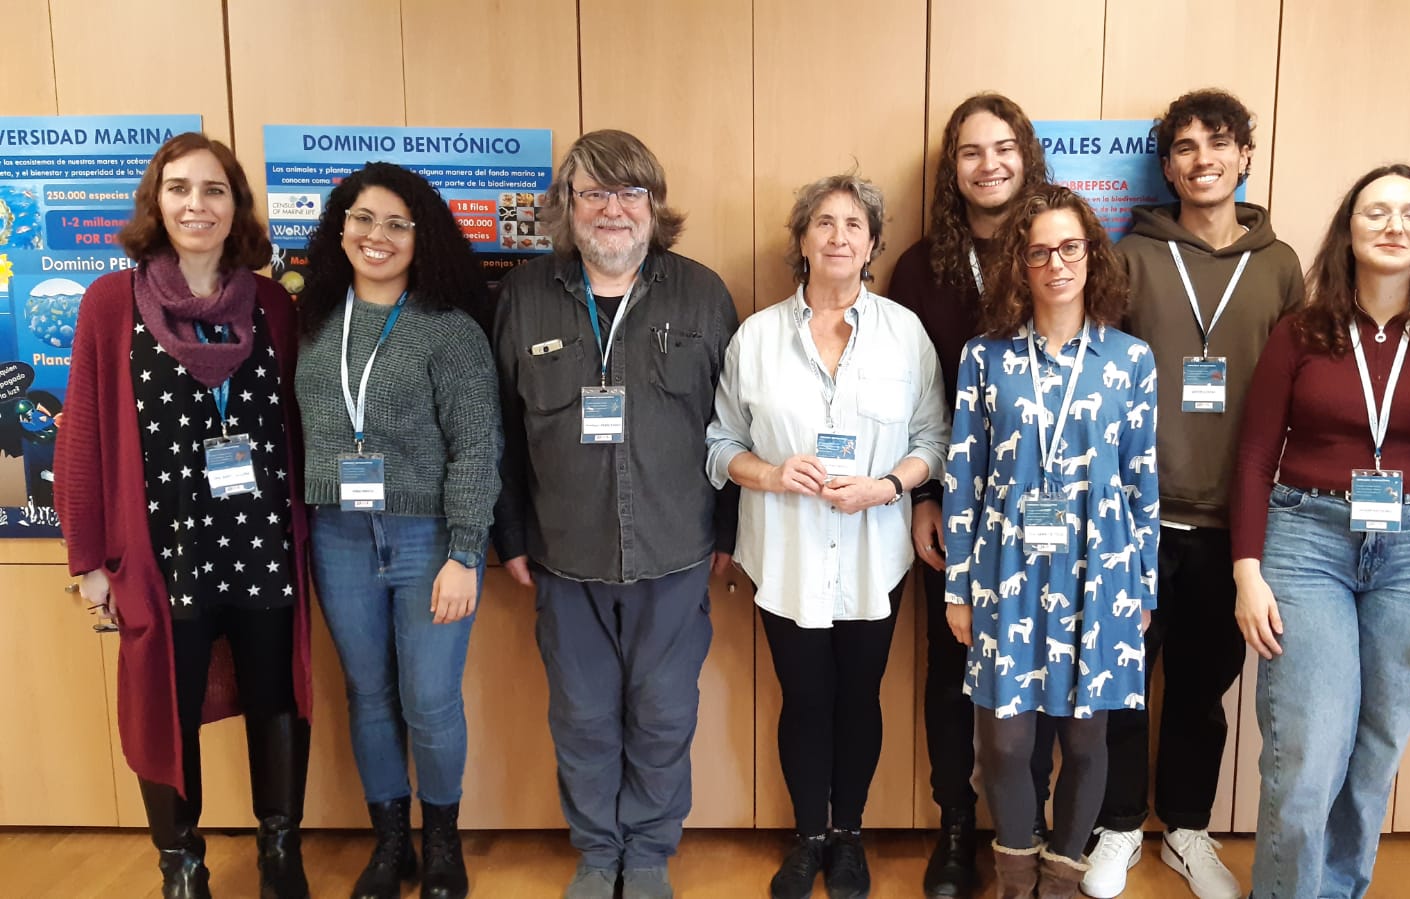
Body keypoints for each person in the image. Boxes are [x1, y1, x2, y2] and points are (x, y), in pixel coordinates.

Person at [1231, 164, 1410, 898]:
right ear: (1348, 229)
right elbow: (1255, 457)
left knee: (1373, 759)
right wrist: (1247, 570)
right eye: (1375, 211)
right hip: (1307, 541)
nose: (1393, 225)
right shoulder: (1302, 332)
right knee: (1307, 753)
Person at [56, 132, 313, 899]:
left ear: (236, 205)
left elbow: (297, 425)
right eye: (179, 188)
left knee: (276, 695)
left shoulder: (271, 303)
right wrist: (88, 560)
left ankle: (279, 851)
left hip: (264, 542)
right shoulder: (113, 303)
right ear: (156, 202)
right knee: (163, 704)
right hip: (165, 551)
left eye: (213, 189)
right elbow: (83, 436)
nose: (196, 204)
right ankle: (182, 863)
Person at [492, 129, 740, 899]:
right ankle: (599, 851)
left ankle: (650, 851)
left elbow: (735, 424)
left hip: (675, 550)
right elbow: (500, 429)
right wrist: (509, 536)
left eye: (630, 192)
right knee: (582, 716)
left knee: (664, 714)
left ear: (653, 206)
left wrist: (728, 531)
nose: (612, 209)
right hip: (564, 555)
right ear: (566, 205)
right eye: (593, 191)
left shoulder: (701, 294)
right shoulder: (523, 297)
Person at [1086, 88, 1304, 899]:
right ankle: (1116, 825)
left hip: (1234, 524)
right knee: (1120, 683)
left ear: (1245, 155)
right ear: (1167, 166)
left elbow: (1299, 387)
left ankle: (1184, 827)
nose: (1202, 158)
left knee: (1202, 688)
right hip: (1137, 516)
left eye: (1218, 142)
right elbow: (1099, 381)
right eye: (1184, 146)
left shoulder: (1280, 265)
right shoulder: (1130, 257)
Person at [707, 173, 949, 899]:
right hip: (785, 553)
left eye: (854, 225)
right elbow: (719, 444)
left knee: (860, 696)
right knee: (805, 697)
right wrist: (773, 473)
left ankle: (850, 837)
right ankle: (808, 836)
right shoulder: (755, 338)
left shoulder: (905, 334)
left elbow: (934, 438)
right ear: (802, 241)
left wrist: (889, 486)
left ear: (872, 245)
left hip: (875, 553)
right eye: (824, 222)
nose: (839, 236)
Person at [943, 185, 1158, 899]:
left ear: (1092, 256)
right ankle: (1015, 878)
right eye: (1039, 252)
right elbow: (964, 476)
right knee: (1005, 741)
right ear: (1020, 264)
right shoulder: (985, 358)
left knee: (1085, 740)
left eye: (1070, 248)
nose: (1056, 264)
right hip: (1006, 565)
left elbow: (1142, 480)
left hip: (1100, 570)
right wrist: (957, 587)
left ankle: (1061, 879)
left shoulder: (1130, 360)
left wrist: (1143, 587)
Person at [295, 162, 500, 899]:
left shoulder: (449, 330)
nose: (376, 235)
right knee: (369, 694)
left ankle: (441, 841)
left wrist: (465, 552)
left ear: (422, 237)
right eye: (362, 218)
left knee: (430, 698)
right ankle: (390, 844)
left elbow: (477, 446)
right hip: (338, 536)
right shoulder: (313, 322)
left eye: (396, 223)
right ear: (339, 228)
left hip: (427, 540)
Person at [885, 92, 1057, 898]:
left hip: (1052, 501)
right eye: (970, 151)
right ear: (950, 170)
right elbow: (906, 394)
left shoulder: (1061, 248)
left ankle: (1029, 826)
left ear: (1026, 155)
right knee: (952, 666)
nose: (988, 164)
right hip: (953, 500)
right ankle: (955, 822)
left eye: (1003, 147)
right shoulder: (921, 267)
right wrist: (921, 497)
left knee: (1044, 664)